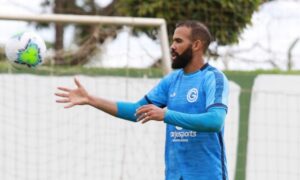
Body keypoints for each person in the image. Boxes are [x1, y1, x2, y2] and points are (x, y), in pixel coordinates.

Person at [55, 20, 229, 180]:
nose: (172, 46)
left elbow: (215, 121)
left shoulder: (213, 78)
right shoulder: (172, 80)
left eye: (178, 41)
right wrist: (91, 99)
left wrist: (166, 115)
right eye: (172, 41)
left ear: (197, 45)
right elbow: (136, 111)